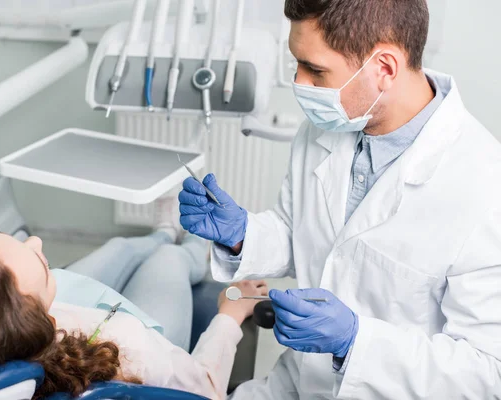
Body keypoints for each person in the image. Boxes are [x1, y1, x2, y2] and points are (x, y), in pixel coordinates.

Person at [179, 0, 501, 398]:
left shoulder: (485, 188)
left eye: (315, 70)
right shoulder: (328, 126)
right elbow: (304, 237)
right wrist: (242, 234)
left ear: (384, 68)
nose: (300, 82)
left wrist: (355, 342)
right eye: (297, 64)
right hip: (293, 385)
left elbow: (487, 373)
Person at [0, 196, 268, 400]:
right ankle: (188, 244)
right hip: (128, 328)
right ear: (35, 322)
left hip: (78, 310)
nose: (37, 240)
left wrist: (41, 276)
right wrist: (230, 313)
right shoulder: (131, 354)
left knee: (120, 246)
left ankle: (161, 232)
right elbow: (206, 390)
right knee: (168, 260)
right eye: (39, 264)